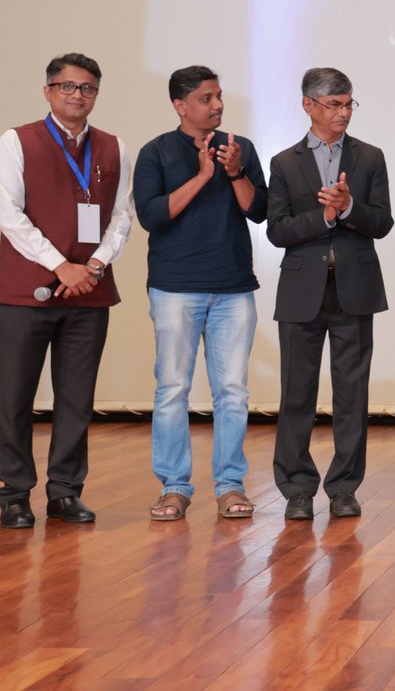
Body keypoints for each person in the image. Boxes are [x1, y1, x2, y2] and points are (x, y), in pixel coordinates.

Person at [0, 53, 133, 528]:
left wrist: (93, 265)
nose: (77, 95)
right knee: (15, 396)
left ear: (96, 94)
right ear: (48, 90)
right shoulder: (16, 141)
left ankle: (65, 492)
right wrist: (60, 266)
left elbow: (121, 216)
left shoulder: (114, 147)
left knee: (77, 397)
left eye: (87, 87)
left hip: (90, 291)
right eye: (68, 86)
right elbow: (9, 215)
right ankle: (14, 495)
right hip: (26, 293)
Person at [134, 66, 268, 521]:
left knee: (232, 391)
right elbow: (152, 216)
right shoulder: (156, 152)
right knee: (173, 389)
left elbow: (259, 210)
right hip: (174, 288)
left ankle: (230, 485)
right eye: (206, 98)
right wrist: (201, 175)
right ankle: (174, 486)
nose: (217, 105)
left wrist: (234, 172)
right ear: (180, 105)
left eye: (219, 96)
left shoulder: (239, 147)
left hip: (233, 287)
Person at [266, 68, 394, 521]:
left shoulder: (370, 157)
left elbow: (383, 222)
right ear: (308, 105)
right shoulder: (284, 162)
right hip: (301, 292)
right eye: (334, 104)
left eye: (348, 104)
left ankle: (344, 488)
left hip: (354, 290)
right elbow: (277, 230)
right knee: (296, 394)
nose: (343, 113)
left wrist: (349, 207)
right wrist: (322, 218)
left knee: (351, 395)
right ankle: (297, 488)